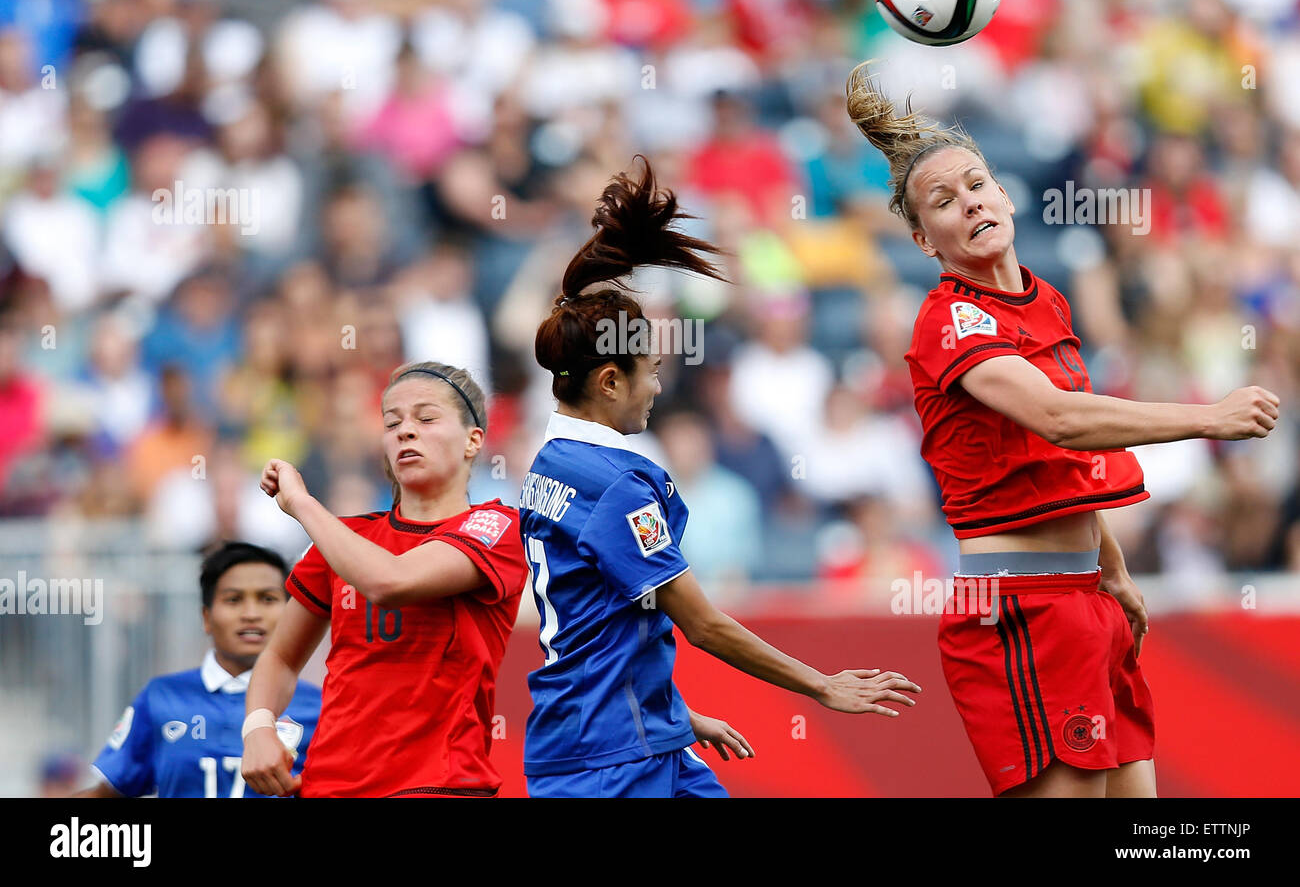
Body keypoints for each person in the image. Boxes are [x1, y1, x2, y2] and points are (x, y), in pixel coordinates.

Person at [845, 63, 1280, 799]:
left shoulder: (1045, 300)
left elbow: (1055, 456)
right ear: (924, 241)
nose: (970, 203)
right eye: (943, 202)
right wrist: (1209, 418)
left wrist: (1110, 564)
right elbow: (1061, 418)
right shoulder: (950, 320)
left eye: (976, 184)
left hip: (1087, 600)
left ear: (1005, 194)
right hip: (1021, 612)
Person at [520, 157, 922, 798]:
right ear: (609, 380)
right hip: (610, 759)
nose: (657, 385)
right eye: (648, 370)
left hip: (634, 732)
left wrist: (678, 714)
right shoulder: (614, 486)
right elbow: (702, 624)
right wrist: (822, 684)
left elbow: (602, 618)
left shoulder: (550, 463)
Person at [243, 360, 528, 797]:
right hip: (326, 786)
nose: (405, 431)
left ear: (474, 441)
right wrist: (259, 728)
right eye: (392, 422)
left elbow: (390, 581)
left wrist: (302, 504)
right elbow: (280, 658)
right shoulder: (346, 540)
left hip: (437, 785)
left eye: (426, 418)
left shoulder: (496, 527)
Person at [75, 542, 321, 798]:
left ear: (291, 614)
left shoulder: (319, 707)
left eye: (267, 599)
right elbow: (110, 792)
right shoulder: (162, 696)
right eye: (234, 599)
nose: (251, 613)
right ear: (206, 617)